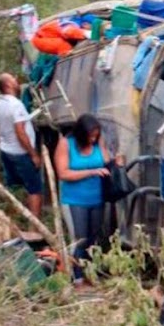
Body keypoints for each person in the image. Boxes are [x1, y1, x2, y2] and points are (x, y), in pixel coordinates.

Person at [54, 114, 115, 285]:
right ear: (81, 133)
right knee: (79, 239)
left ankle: (91, 272)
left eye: (96, 135)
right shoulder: (66, 144)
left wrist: (115, 161)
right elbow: (63, 173)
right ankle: (76, 277)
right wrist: (91, 172)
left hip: (96, 199)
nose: (93, 138)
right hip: (74, 200)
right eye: (91, 135)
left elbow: (106, 162)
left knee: (93, 238)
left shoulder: (97, 143)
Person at [0, 73, 43, 217]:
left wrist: (2, 142)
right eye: (13, 79)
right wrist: (33, 154)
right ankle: (35, 229)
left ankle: (13, 218)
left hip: (6, 151)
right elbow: (20, 132)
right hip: (21, 154)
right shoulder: (15, 104)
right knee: (34, 189)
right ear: (8, 85)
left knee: (14, 187)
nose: (16, 79)